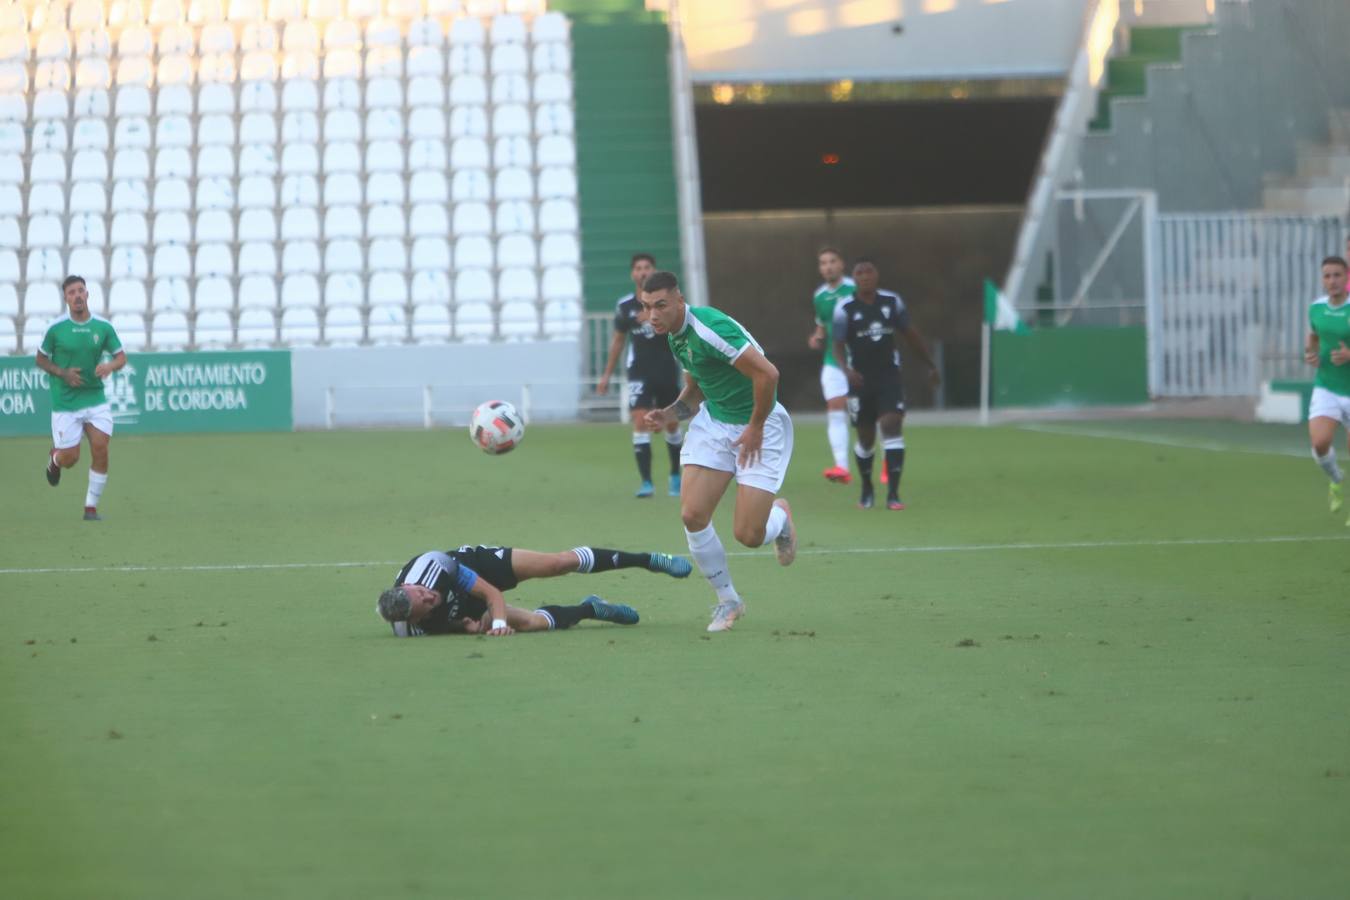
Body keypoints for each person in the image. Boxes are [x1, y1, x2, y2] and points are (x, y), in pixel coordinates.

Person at [640, 271, 797, 633]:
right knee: (692, 514)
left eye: (661, 305)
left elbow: (768, 375)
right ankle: (728, 601)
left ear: (680, 300)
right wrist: (669, 413)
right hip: (715, 422)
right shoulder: (674, 337)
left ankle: (780, 518)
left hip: (762, 423)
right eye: (647, 308)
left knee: (749, 535)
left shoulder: (708, 328)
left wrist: (755, 427)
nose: (653, 316)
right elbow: (697, 389)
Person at [375, 543, 692, 637]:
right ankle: (591, 609)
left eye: (424, 593)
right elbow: (448, 626)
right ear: (417, 619)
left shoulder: (434, 567)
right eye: (427, 605)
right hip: (463, 607)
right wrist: (469, 627)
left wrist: (498, 623)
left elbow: (492, 595)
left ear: (409, 585)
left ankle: (648, 560)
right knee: (529, 623)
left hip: (479, 569)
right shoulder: (411, 629)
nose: (431, 598)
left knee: (558, 563)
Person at [831, 258, 940, 511]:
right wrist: (846, 370)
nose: (865, 276)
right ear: (854, 278)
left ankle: (893, 493)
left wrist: (930, 364)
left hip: (889, 377)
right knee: (866, 439)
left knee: (891, 425)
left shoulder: (892, 302)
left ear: (877, 275)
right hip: (859, 380)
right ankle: (867, 487)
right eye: (860, 273)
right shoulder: (844, 308)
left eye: (869, 271)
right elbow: (836, 344)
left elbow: (910, 335)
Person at [35, 275, 126, 521]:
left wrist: (109, 367)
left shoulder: (103, 327)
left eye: (80, 291)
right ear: (65, 298)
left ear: (87, 295)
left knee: (100, 447)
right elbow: (40, 359)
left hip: (94, 397)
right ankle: (55, 459)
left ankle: (90, 508)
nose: (77, 295)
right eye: (71, 292)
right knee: (70, 458)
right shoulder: (55, 329)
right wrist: (62, 373)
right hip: (65, 401)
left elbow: (121, 357)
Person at [597, 253, 685, 498]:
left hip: (667, 368)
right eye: (638, 268)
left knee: (672, 422)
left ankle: (675, 476)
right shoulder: (625, 306)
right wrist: (606, 375)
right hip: (639, 371)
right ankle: (646, 482)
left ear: (654, 271)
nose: (643, 272)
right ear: (632, 274)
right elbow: (618, 341)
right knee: (639, 420)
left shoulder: (668, 303)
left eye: (647, 267)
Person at [1304, 255, 1350, 522]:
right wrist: (1311, 354)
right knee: (1319, 443)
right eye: (1327, 276)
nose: (1331, 281)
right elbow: (1313, 336)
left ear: (1346, 279)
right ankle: (1335, 479)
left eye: (1337, 275)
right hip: (1327, 387)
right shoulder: (1316, 308)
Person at [807, 247, 856, 484]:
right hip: (833, 360)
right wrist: (817, 337)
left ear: (842, 264)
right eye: (823, 263)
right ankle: (842, 467)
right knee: (835, 407)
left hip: (860, 361)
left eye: (832, 261)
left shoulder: (855, 289)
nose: (827, 266)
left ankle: (887, 458)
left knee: (867, 413)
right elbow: (822, 326)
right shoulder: (819, 296)